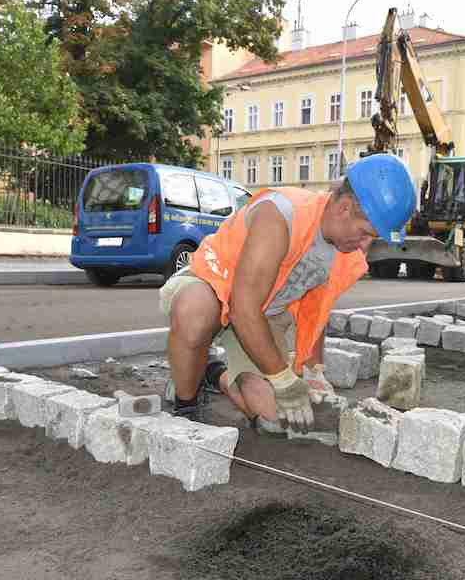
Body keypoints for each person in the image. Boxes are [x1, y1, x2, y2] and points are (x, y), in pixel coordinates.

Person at [158, 153, 416, 433]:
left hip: (264, 314)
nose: (364, 247)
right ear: (344, 208)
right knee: (194, 313)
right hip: (215, 287)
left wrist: (314, 369)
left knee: (275, 420)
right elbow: (242, 307)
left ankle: (213, 373)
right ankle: (186, 404)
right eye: (366, 233)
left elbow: (316, 307)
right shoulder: (282, 214)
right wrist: (281, 378)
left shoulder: (342, 249)